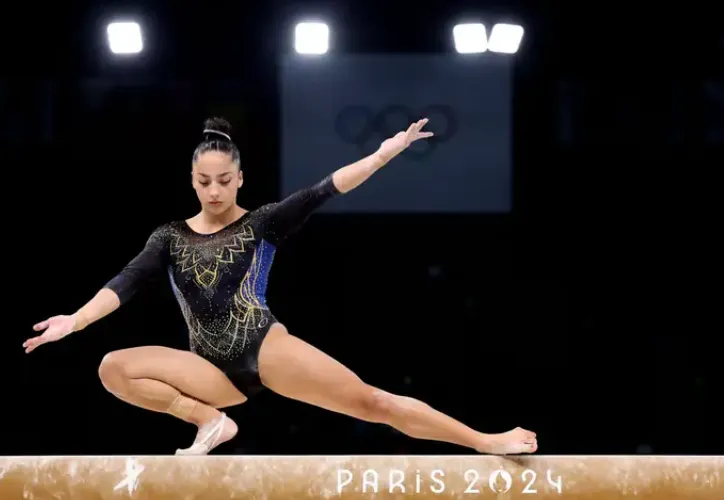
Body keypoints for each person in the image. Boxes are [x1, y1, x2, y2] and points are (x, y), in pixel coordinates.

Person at [24, 117, 537, 456]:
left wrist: (382, 155)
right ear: (192, 179)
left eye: (225, 179)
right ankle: (210, 422)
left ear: (240, 178)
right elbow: (126, 282)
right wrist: (76, 319)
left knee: (374, 404)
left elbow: (324, 189)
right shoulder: (168, 237)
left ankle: (484, 441)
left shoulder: (262, 223)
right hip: (208, 369)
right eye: (205, 181)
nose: (215, 189)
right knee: (114, 368)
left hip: (265, 348)